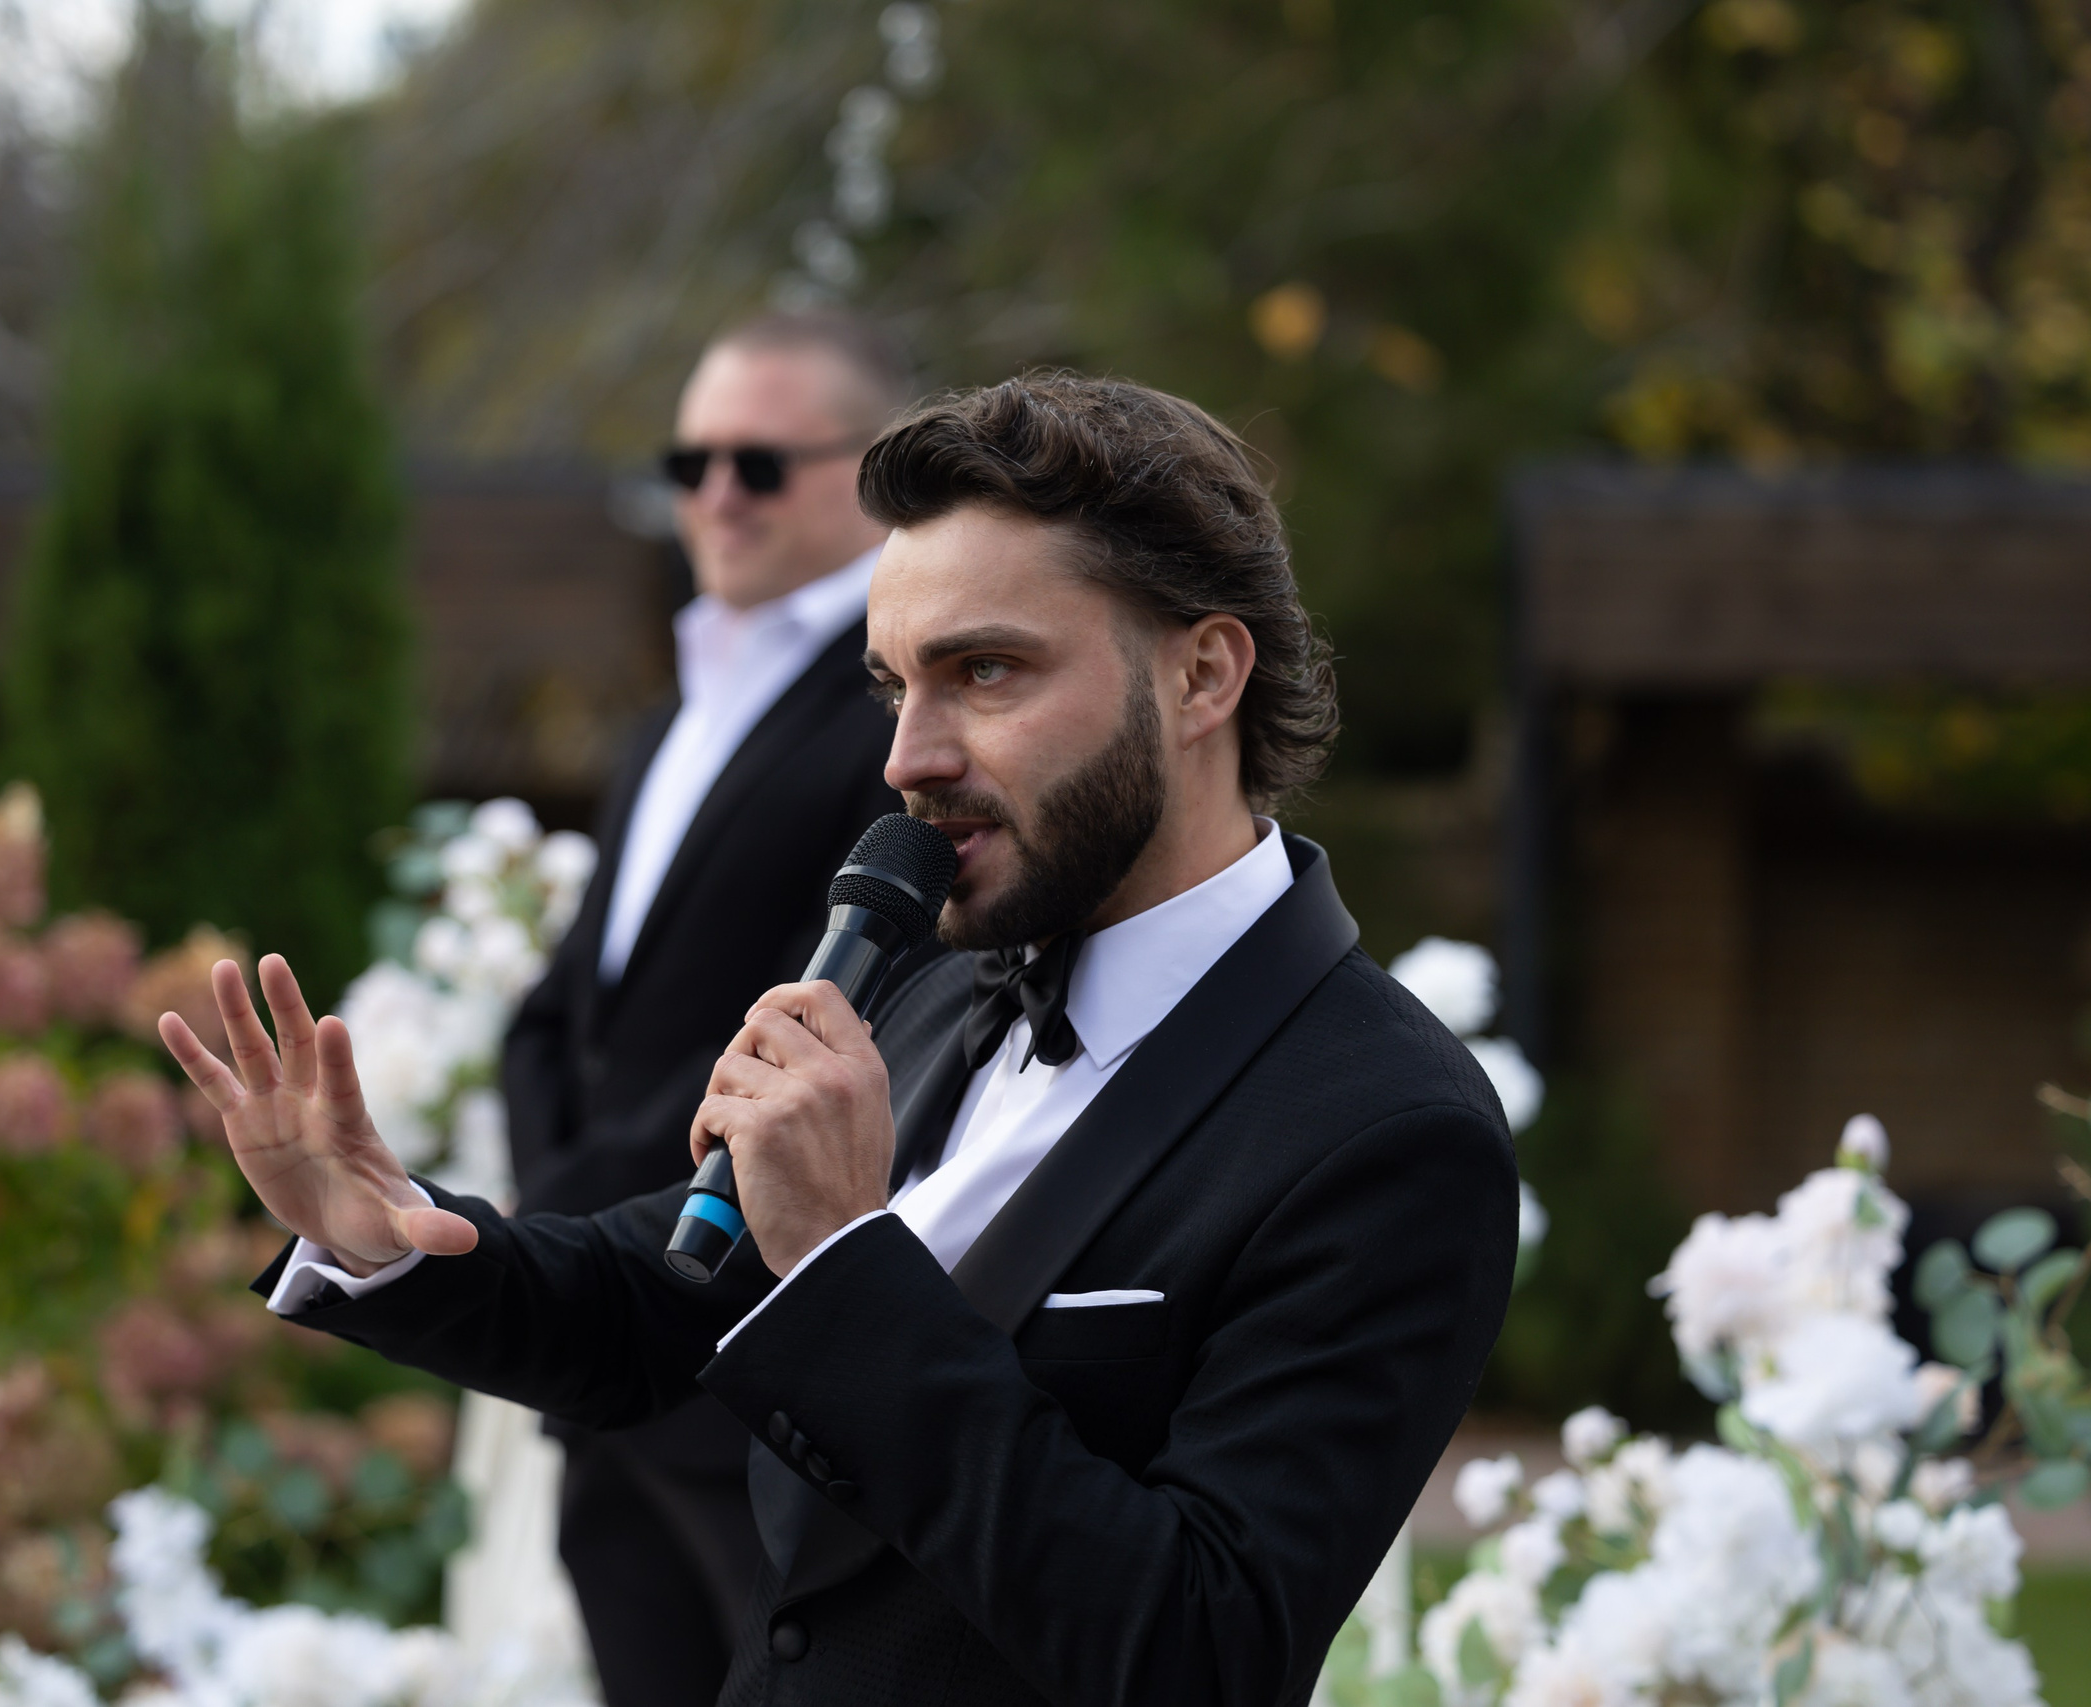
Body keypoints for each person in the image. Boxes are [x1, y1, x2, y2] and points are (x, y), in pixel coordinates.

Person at [163, 372, 1519, 1707]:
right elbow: (660, 1300)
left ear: (1204, 673)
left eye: (984, 670)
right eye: (892, 688)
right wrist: (379, 1236)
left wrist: (842, 1259)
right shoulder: (934, 984)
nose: (909, 757)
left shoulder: (1390, 1128)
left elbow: (1197, 1648)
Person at [496, 312, 918, 1702]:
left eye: (758, 461)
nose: (716, 494)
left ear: (868, 469)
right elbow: (568, 1008)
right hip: (608, 1368)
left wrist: (577, 1235)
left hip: (742, 1370)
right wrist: (554, 1242)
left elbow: (830, 1011)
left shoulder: (896, 714)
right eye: (690, 462)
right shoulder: (677, 705)